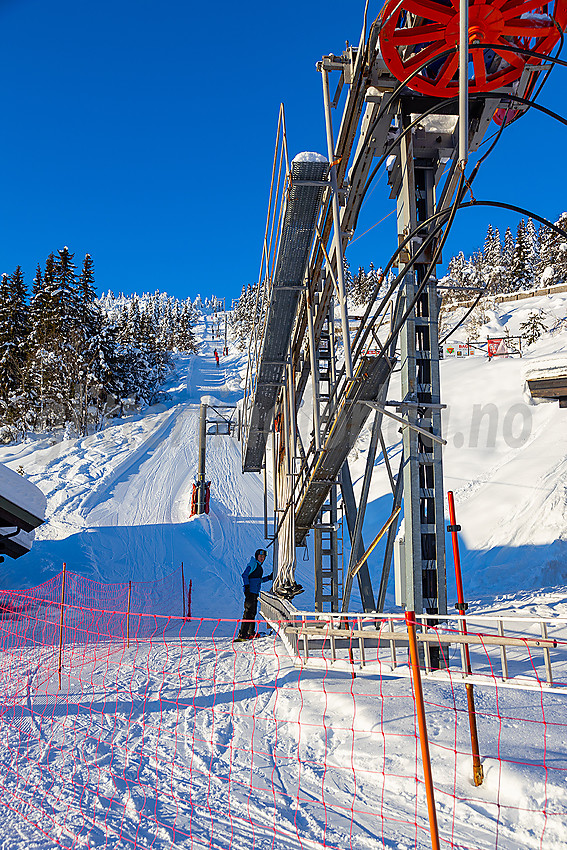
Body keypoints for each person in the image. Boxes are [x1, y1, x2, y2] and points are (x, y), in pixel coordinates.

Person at [237, 549, 273, 640]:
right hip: (250, 592)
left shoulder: (258, 566)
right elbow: (244, 575)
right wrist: (247, 586)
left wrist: (268, 578)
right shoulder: (253, 564)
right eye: (260, 556)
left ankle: (250, 632)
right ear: (257, 556)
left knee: (252, 612)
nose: (262, 558)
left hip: (254, 592)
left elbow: (258, 580)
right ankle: (243, 633)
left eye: (264, 557)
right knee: (248, 612)